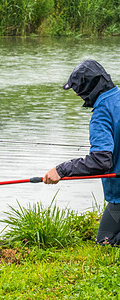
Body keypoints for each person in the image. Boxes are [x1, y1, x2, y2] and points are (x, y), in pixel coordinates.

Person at [43, 59, 120, 245]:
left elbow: (101, 161)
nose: (77, 93)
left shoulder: (102, 114)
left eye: (79, 88)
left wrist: (61, 170)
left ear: (92, 86)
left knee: (105, 242)